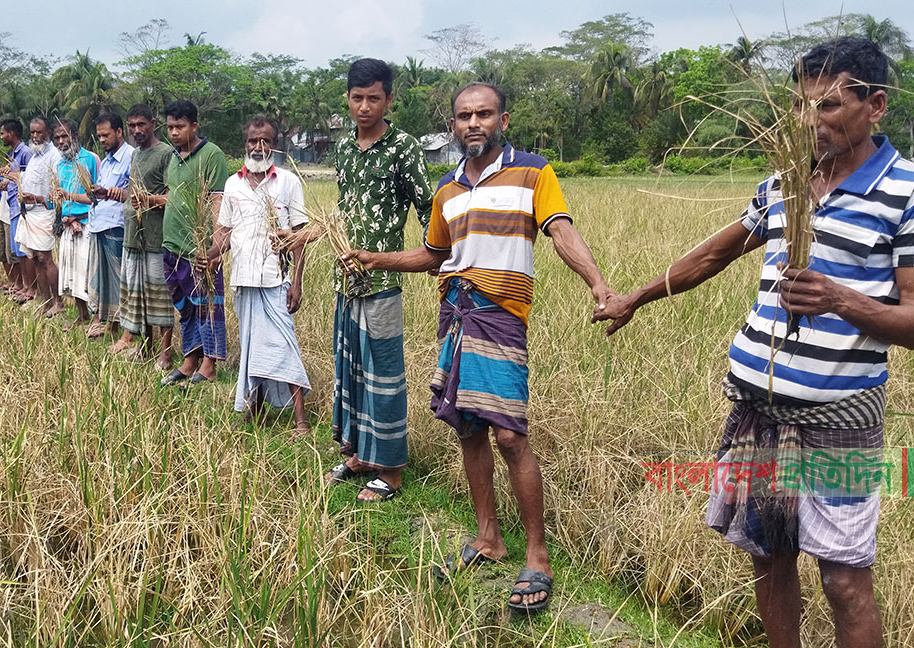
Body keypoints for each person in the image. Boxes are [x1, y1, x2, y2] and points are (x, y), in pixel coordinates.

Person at [595, 37, 909, 648]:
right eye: (800, 106)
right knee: (768, 556)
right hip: (757, 406)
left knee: (845, 580)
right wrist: (635, 297)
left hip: (838, 419)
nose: (808, 122)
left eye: (827, 107)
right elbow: (716, 252)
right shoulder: (783, 184)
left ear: (876, 106)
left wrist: (841, 300)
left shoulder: (905, 192)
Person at [342, 82, 613, 612]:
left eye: (483, 114)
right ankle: (488, 538)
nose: (473, 123)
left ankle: (537, 556)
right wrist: (375, 259)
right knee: (468, 428)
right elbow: (431, 255)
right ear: (452, 125)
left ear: (503, 120)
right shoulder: (447, 190)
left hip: (500, 317)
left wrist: (598, 284)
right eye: (464, 115)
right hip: (456, 314)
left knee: (510, 436)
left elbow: (562, 232)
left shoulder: (534, 172)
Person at [325, 58, 434, 502]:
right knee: (350, 371)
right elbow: (343, 210)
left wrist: (427, 260)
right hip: (345, 281)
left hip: (382, 283)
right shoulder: (344, 149)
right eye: (357, 98)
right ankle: (359, 454)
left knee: (384, 375)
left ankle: (390, 470)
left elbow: (430, 212)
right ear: (347, 100)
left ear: (389, 99)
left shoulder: (403, 147)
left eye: (374, 98)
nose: (365, 107)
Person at [208, 116, 311, 432]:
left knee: (284, 346)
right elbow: (224, 234)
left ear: (274, 145)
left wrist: (297, 281)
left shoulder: (288, 182)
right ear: (246, 144)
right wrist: (208, 256)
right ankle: (252, 409)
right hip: (243, 279)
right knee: (252, 347)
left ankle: (301, 421)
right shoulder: (232, 183)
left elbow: (300, 235)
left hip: (276, 280)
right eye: (253, 141)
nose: (258, 146)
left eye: (265, 141)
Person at [159, 99, 228, 386]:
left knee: (207, 306)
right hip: (172, 245)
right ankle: (190, 359)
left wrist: (215, 248)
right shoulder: (173, 157)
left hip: (196, 249)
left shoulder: (212, 155)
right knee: (185, 307)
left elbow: (217, 202)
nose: (174, 133)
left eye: (180, 126)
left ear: (194, 126)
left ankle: (209, 364)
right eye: (170, 127)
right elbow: (170, 195)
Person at [109, 104, 175, 369]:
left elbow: (173, 197)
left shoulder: (166, 153)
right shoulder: (135, 155)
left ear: (153, 123)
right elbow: (133, 194)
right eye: (132, 125)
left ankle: (166, 354)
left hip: (156, 240)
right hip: (133, 239)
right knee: (140, 296)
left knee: (160, 297)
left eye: (141, 124)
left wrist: (148, 200)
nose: (136, 130)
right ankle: (146, 348)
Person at [85, 112, 133, 338]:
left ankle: (127, 331)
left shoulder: (131, 157)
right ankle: (110, 325)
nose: (102, 140)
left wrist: (116, 194)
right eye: (99, 136)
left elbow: (136, 195)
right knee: (105, 281)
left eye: (106, 135)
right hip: (99, 225)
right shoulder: (104, 163)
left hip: (117, 226)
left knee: (120, 280)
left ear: (119, 132)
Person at [12, 117, 62, 316]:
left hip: (45, 212)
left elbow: (57, 190)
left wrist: (38, 198)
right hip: (29, 214)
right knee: (34, 258)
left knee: (45, 258)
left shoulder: (54, 156)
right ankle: (46, 301)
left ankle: (59, 302)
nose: (35, 136)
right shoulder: (35, 155)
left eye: (39, 132)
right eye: (32, 132)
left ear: (47, 132)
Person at [52, 118, 99, 328]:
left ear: (75, 136)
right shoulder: (60, 164)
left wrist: (68, 196)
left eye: (65, 136)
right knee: (71, 272)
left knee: (88, 272)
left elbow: (96, 197)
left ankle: (98, 318)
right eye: (57, 138)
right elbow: (59, 196)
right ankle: (81, 316)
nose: (62, 141)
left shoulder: (90, 159)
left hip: (87, 224)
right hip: (68, 225)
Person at [0, 119, 32, 297]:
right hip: (12, 206)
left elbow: (29, 177)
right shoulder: (13, 155)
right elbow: (15, 178)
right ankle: (24, 287)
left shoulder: (25, 152)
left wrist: (13, 175)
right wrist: (4, 181)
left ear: (12, 134)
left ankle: (30, 288)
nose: (1, 137)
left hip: (21, 207)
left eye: (3, 133)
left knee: (24, 251)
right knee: (17, 251)